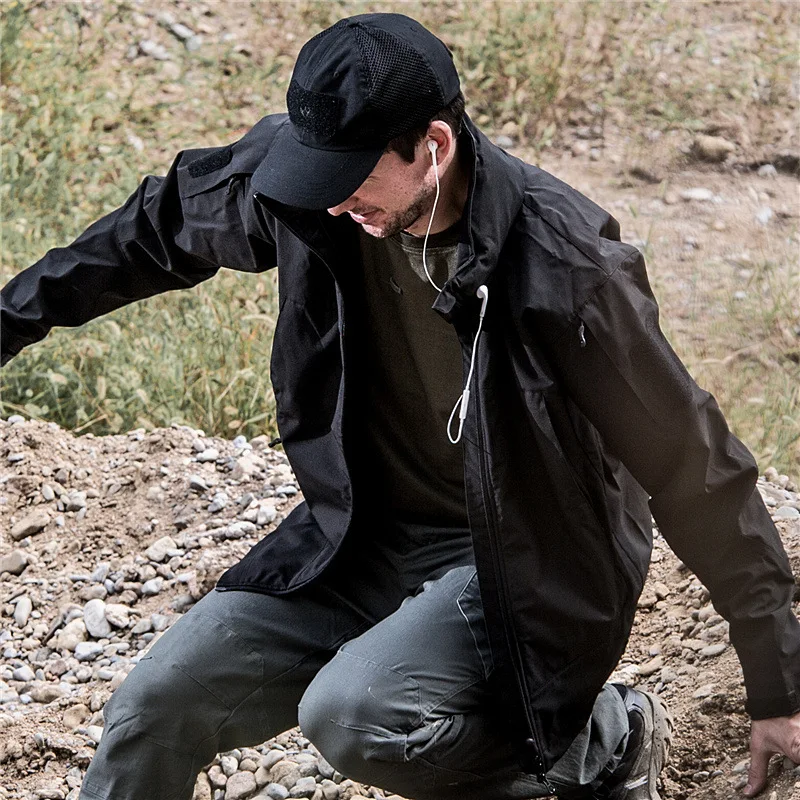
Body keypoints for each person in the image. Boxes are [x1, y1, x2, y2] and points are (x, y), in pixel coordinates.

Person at [1, 12, 798, 800]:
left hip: (525, 556)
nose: (333, 203)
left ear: (434, 146)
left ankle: (609, 742)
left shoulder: (566, 266)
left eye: (352, 178)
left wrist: (778, 683)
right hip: (358, 538)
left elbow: (691, 465)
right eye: (319, 175)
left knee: (354, 716)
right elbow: (156, 227)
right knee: (154, 706)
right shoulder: (313, 187)